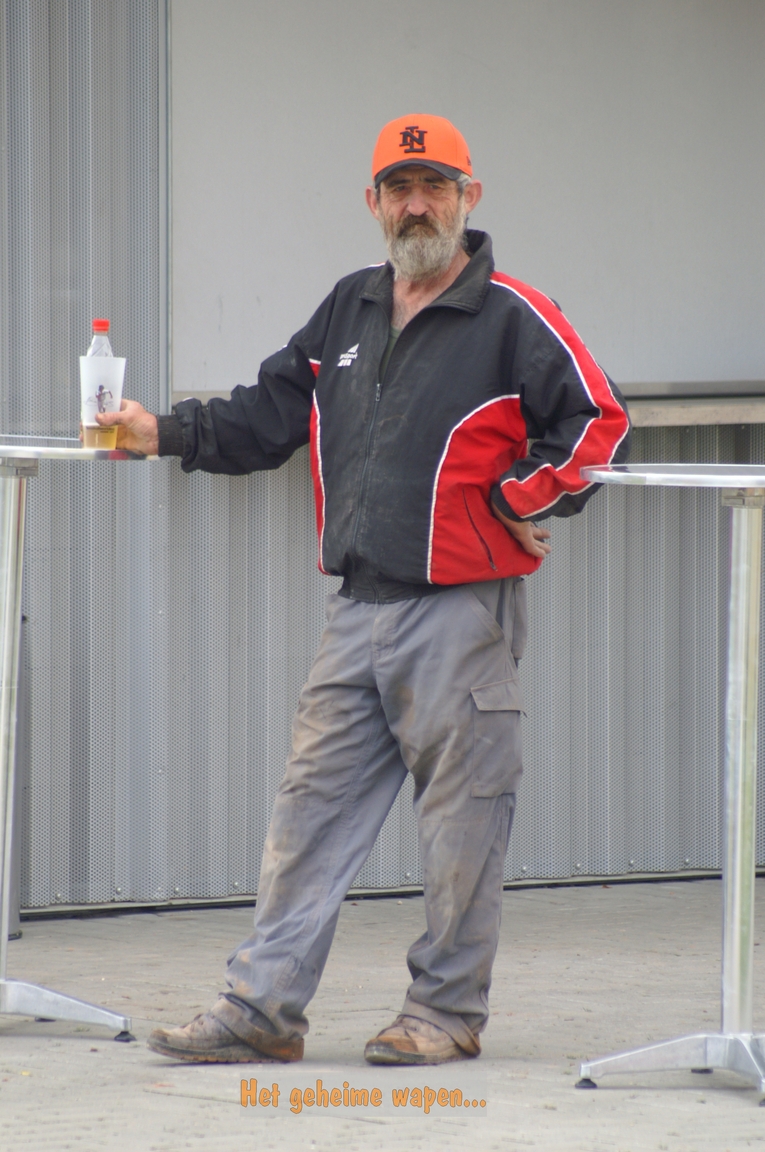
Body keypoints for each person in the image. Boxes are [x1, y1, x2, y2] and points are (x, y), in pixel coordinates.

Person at [100, 113, 630, 1066]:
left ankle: (444, 1013)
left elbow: (597, 424)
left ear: (469, 196)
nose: (416, 205)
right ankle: (260, 1009)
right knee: (307, 815)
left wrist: (516, 496)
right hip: (355, 610)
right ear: (373, 202)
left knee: (462, 823)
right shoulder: (348, 306)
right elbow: (269, 414)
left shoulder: (512, 314)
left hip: (459, 613)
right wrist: (162, 433)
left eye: (434, 186)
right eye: (398, 188)